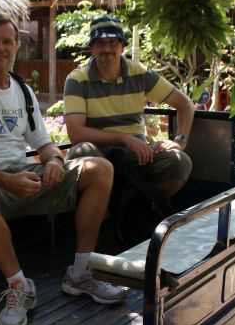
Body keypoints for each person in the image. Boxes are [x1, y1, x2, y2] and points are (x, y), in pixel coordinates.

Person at [0, 13, 125, 325]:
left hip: (25, 178)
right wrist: (5, 180)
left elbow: (44, 143)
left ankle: (80, 273)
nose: (0, 47)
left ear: (17, 46)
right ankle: (19, 286)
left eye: (7, 41)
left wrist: (53, 162)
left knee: (99, 168)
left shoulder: (22, 90)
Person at [63, 15, 196, 196]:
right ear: (92, 48)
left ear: (122, 46)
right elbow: (76, 133)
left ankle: (147, 208)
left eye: (113, 42)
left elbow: (185, 104)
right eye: (100, 43)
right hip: (99, 151)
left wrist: (179, 141)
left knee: (180, 162)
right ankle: (103, 215)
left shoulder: (140, 73)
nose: (107, 49)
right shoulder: (77, 79)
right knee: (81, 152)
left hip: (137, 154)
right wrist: (124, 138)